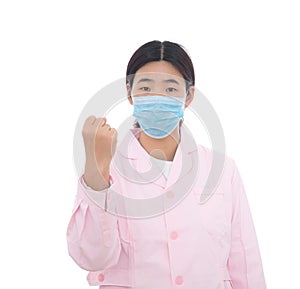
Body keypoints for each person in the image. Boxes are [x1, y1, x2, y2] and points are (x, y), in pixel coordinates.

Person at [66, 40, 267, 289]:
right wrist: (96, 172)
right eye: (146, 88)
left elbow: (246, 265)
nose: (158, 99)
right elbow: (92, 258)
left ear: (189, 96)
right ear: (129, 93)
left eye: (171, 89)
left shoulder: (223, 170)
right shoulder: (108, 170)